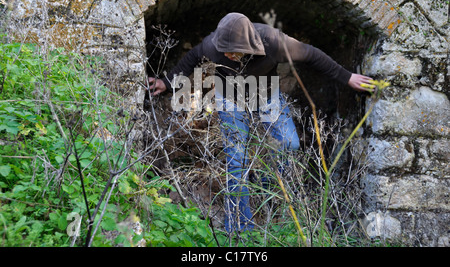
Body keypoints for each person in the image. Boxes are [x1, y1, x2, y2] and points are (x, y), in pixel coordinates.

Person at [147, 12, 372, 233]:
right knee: (237, 160)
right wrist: (166, 83)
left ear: (247, 45)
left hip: (264, 92)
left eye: (232, 52)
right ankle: (239, 228)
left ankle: (262, 185)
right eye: (223, 51)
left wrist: (347, 77)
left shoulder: (273, 42)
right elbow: (191, 59)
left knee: (290, 144)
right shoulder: (212, 44)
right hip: (229, 96)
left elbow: (312, 54)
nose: (226, 55)